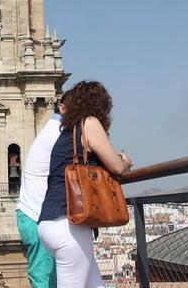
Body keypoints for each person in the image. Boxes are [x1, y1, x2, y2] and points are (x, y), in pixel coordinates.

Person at [37, 81, 133, 288]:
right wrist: (125, 162)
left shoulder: (67, 133)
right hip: (69, 223)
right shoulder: (89, 123)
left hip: (51, 222)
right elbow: (116, 167)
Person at [15, 92, 71, 288]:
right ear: (62, 108)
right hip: (37, 214)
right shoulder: (60, 133)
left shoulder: (52, 130)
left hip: (36, 214)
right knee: (46, 280)